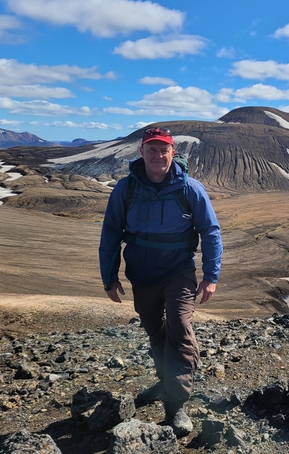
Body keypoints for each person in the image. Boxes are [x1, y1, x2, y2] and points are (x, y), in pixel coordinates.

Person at [99, 126, 223, 438]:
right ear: (141, 152)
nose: (158, 155)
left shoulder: (190, 189)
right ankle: (164, 379)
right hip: (141, 274)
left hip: (178, 271)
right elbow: (111, 233)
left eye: (163, 149)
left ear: (173, 152)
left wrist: (210, 277)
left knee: (179, 327)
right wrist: (109, 277)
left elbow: (210, 231)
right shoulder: (126, 189)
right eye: (151, 149)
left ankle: (175, 403)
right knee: (155, 331)